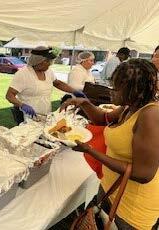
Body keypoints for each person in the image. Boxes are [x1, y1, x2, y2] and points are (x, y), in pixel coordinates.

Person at [61, 59, 159, 229]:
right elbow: (102, 119)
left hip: (131, 209)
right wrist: (85, 103)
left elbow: (143, 174)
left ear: (133, 89)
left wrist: (90, 150)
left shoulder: (150, 115)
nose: (111, 92)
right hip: (111, 190)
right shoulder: (130, 106)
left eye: (116, 88)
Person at [5, 46, 85, 124]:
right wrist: (22, 105)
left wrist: (74, 91)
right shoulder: (23, 74)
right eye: (47, 61)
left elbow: (58, 83)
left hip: (45, 114)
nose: (50, 64)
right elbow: (9, 95)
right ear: (38, 61)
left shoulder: (48, 71)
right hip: (28, 115)